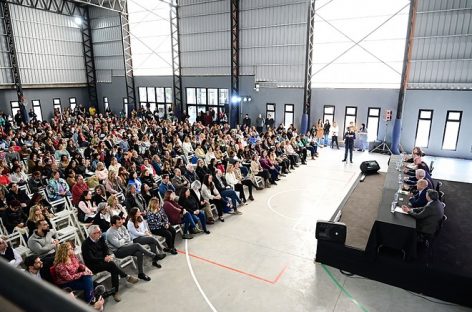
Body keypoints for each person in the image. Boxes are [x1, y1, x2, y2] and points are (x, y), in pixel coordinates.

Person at [81, 225, 139, 302]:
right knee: (112, 265)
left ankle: (115, 291)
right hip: (93, 265)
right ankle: (125, 276)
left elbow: (105, 248)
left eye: (100, 231)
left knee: (112, 266)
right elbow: (91, 258)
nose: (100, 233)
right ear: (92, 234)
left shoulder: (100, 238)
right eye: (98, 232)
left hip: (103, 261)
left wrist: (107, 256)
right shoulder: (85, 244)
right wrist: (104, 259)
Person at [106, 215, 160, 281]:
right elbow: (118, 245)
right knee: (137, 245)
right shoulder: (109, 233)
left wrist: (123, 239)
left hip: (127, 246)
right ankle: (153, 255)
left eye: (121, 221)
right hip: (118, 252)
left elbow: (128, 237)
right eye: (119, 223)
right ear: (113, 224)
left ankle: (141, 274)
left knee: (139, 253)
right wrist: (125, 239)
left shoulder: (122, 227)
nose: (121, 223)